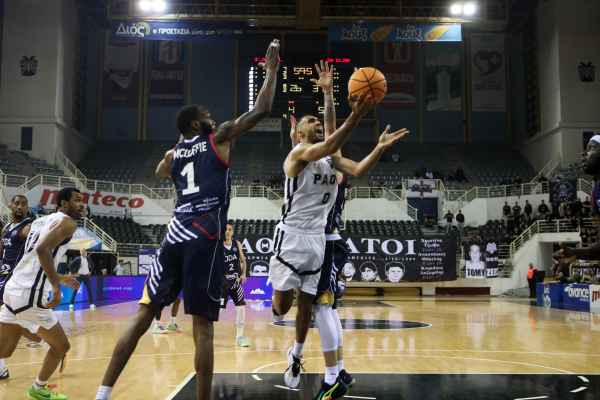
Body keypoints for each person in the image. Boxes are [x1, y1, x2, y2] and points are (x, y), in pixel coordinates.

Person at [94, 39, 282, 400]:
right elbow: (262, 110)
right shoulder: (220, 136)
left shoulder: (172, 152)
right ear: (199, 122)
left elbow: (163, 172)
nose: (213, 116)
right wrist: (271, 70)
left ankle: (102, 394)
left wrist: (181, 145)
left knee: (144, 315)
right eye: (207, 113)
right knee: (204, 329)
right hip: (203, 235)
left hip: (174, 235)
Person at [273, 61, 405, 395]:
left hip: (319, 240)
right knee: (284, 306)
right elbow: (330, 143)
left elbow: (358, 168)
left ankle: (315, 364)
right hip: (291, 237)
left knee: (313, 306)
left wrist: (378, 147)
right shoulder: (298, 154)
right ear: (299, 133)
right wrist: (355, 112)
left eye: (319, 121)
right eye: (311, 121)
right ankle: (320, 363)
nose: (318, 124)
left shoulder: (331, 159)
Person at [0, 187, 82, 400]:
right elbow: (42, 250)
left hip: (12, 289)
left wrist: (59, 277)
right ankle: (38, 388)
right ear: (64, 203)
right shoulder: (68, 223)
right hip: (30, 293)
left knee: (4, 350)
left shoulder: (38, 222)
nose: (82, 204)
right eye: (77, 200)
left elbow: (33, 257)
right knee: (62, 346)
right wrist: (56, 285)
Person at [220, 224, 249, 347]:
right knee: (218, 310)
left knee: (241, 308)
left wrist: (243, 274)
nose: (227, 231)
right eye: (225, 229)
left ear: (232, 232)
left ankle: (239, 337)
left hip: (235, 282)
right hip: (222, 283)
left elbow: (243, 260)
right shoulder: (217, 245)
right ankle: (206, 334)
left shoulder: (237, 244)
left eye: (230, 230)